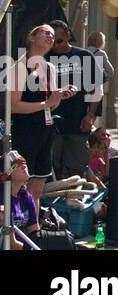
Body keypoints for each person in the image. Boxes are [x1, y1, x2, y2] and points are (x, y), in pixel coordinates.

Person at [8, 24, 76, 203]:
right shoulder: (20, 66)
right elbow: (13, 105)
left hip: (45, 130)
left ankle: (33, 227)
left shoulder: (49, 68)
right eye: (46, 33)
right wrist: (47, 103)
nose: (50, 37)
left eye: (53, 36)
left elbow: (51, 105)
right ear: (32, 37)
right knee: (22, 182)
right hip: (25, 131)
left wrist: (61, 95)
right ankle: (17, 224)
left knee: (38, 184)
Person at [47, 21, 102, 180]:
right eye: (52, 42)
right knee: (52, 165)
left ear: (68, 35)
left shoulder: (84, 56)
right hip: (52, 121)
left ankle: (73, 198)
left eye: (59, 41)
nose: (55, 46)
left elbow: (96, 89)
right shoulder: (45, 57)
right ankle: (54, 200)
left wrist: (91, 115)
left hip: (77, 120)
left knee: (76, 166)